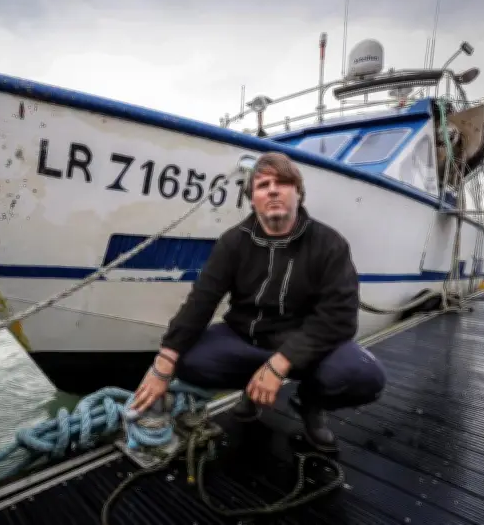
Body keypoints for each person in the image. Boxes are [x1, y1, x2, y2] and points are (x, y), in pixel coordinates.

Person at [130, 151, 386, 453]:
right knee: (186, 358)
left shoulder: (329, 244)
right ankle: (251, 391)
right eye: (263, 185)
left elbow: (339, 317)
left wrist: (280, 364)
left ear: (299, 193)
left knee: (365, 376)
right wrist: (163, 364)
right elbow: (201, 301)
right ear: (252, 198)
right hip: (246, 339)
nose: (273, 190)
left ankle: (310, 404)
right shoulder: (233, 242)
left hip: (306, 346)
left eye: (283, 183)